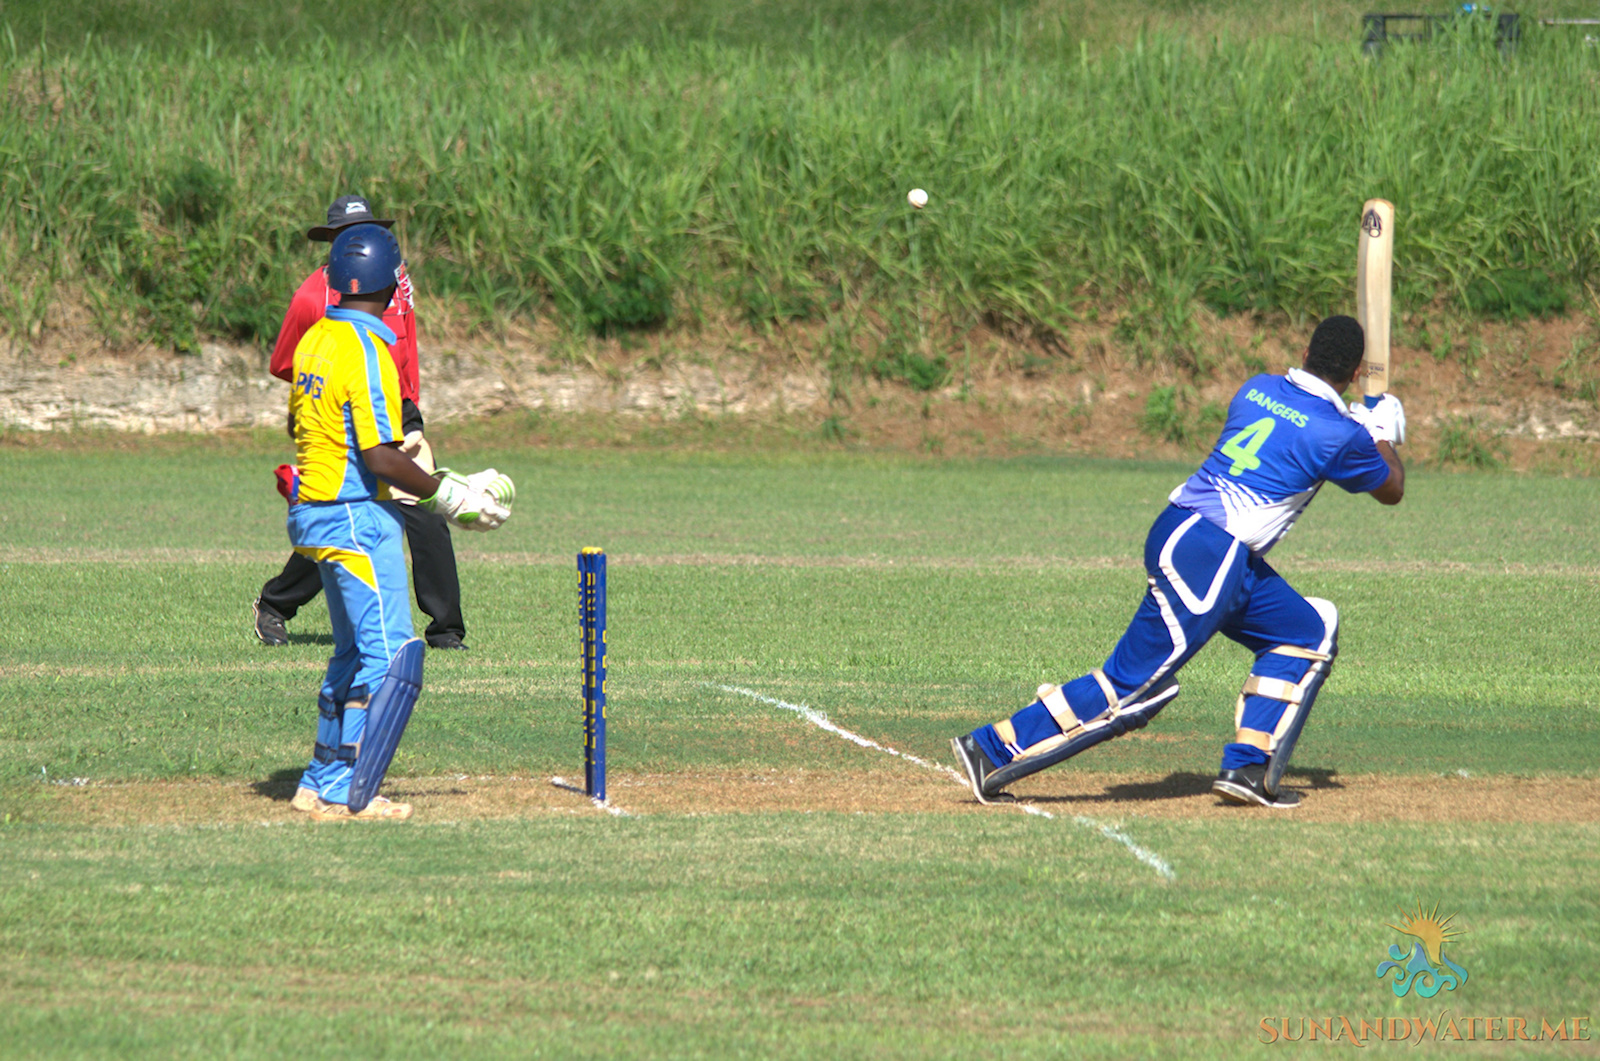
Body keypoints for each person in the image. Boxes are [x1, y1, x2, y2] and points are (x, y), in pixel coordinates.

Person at [951, 315, 1406, 808]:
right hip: (1211, 554)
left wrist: (1359, 428)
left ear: (1305, 353)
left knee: (1305, 633)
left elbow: (1303, 427)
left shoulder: (1256, 388)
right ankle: (993, 749)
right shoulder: (1341, 435)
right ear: (1355, 373)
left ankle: (1249, 768)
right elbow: (1391, 489)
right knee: (1133, 688)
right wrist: (1381, 433)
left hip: (1190, 536)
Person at [284, 224, 511, 821]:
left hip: (314, 511)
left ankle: (318, 780)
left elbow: (306, 429)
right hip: (354, 516)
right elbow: (378, 457)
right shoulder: (368, 349)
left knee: (351, 653)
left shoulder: (316, 339)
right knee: (391, 659)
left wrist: (401, 462)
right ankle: (347, 791)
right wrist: (448, 496)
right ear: (391, 282)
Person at [252, 194, 470, 651]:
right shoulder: (311, 296)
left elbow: (406, 347)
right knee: (346, 515)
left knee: (421, 514)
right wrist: (323, 412)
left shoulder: (395, 283)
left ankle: (445, 630)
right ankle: (276, 602)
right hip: (341, 408)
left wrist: (411, 412)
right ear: (331, 242)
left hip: (394, 403)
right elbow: (290, 362)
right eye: (345, 235)